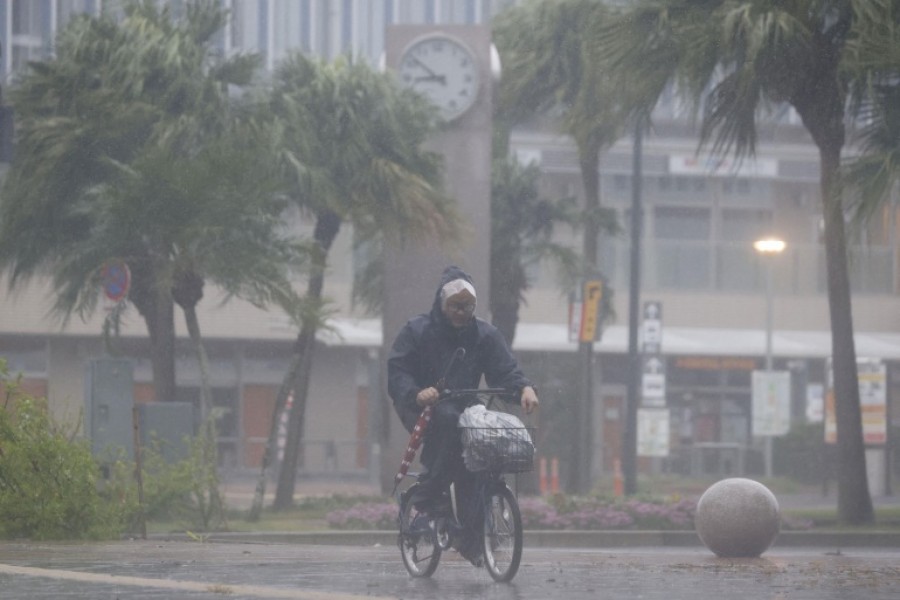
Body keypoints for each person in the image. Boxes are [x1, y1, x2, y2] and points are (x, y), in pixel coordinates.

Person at [387, 265, 539, 565]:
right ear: (441, 304)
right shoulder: (416, 331)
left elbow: (505, 369)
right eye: (455, 306)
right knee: (445, 422)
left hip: (466, 406)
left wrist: (523, 388)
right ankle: (428, 496)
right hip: (420, 406)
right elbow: (398, 371)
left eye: (467, 306)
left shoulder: (485, 334)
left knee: (478, 459)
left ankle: (470, 539)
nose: (461, 312)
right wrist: (417, 393)